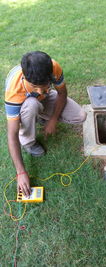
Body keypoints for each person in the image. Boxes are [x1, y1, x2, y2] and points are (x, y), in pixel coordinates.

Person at [5, 51, 86, 197]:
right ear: (25, 77)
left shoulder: (53, 67)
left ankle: (43, 117)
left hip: (44, 101)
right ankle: (29, 142)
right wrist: (21, 172)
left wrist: (53, 119)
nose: (41, 90)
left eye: (45, 85)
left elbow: (62, 94)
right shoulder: (14, 91)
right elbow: (11, 135)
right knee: (31, 105)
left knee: (80, 116)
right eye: (35, 86)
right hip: (26, 105)